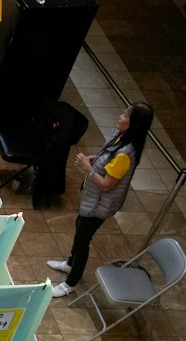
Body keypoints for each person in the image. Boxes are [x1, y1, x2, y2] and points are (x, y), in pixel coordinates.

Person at [47, 103, 152, 298]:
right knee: (79, 230)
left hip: (99, 205)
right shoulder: (120, 137)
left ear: (134, 124)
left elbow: (106, 185)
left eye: (125, 115)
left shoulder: (125, 155)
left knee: (82, 241)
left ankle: (71, 282)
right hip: (91, 199)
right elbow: (107, 156)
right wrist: (96, 159)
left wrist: (88, 167)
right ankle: (70, 263)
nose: (120, 116)